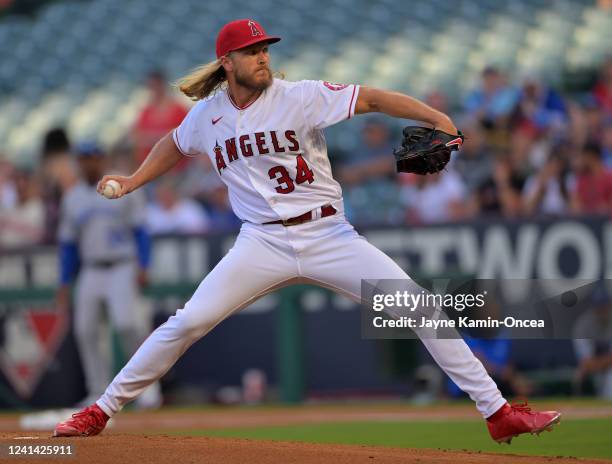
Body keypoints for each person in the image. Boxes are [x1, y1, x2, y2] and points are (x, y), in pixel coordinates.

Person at [54, 19, 560, 442]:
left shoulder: (299, 96)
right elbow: (174, 142)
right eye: (252, 51)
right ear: (227, 62)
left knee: (419, 307)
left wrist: (435, 115)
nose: (263, 58)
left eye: (265, 49)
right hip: (261, 241)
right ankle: (99, 411)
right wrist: (136, 180)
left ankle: (497, 414)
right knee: (186, 323)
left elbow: (373, 99)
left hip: (328, 235)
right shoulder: (208, 115)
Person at [55, 142, 162, 409]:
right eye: (84, 158)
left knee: (128, 325)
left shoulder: (123, 184)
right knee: (86, 330)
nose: (89, 163)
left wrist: (144, 264)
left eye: (93, 157)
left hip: (122, 265)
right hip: (91, 269)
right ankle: (97, 392)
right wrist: (65, 281)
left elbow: (141, 230)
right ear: (78, 162)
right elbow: (68, 244)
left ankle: (147, 389)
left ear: (102, 159)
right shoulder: (72, 197)